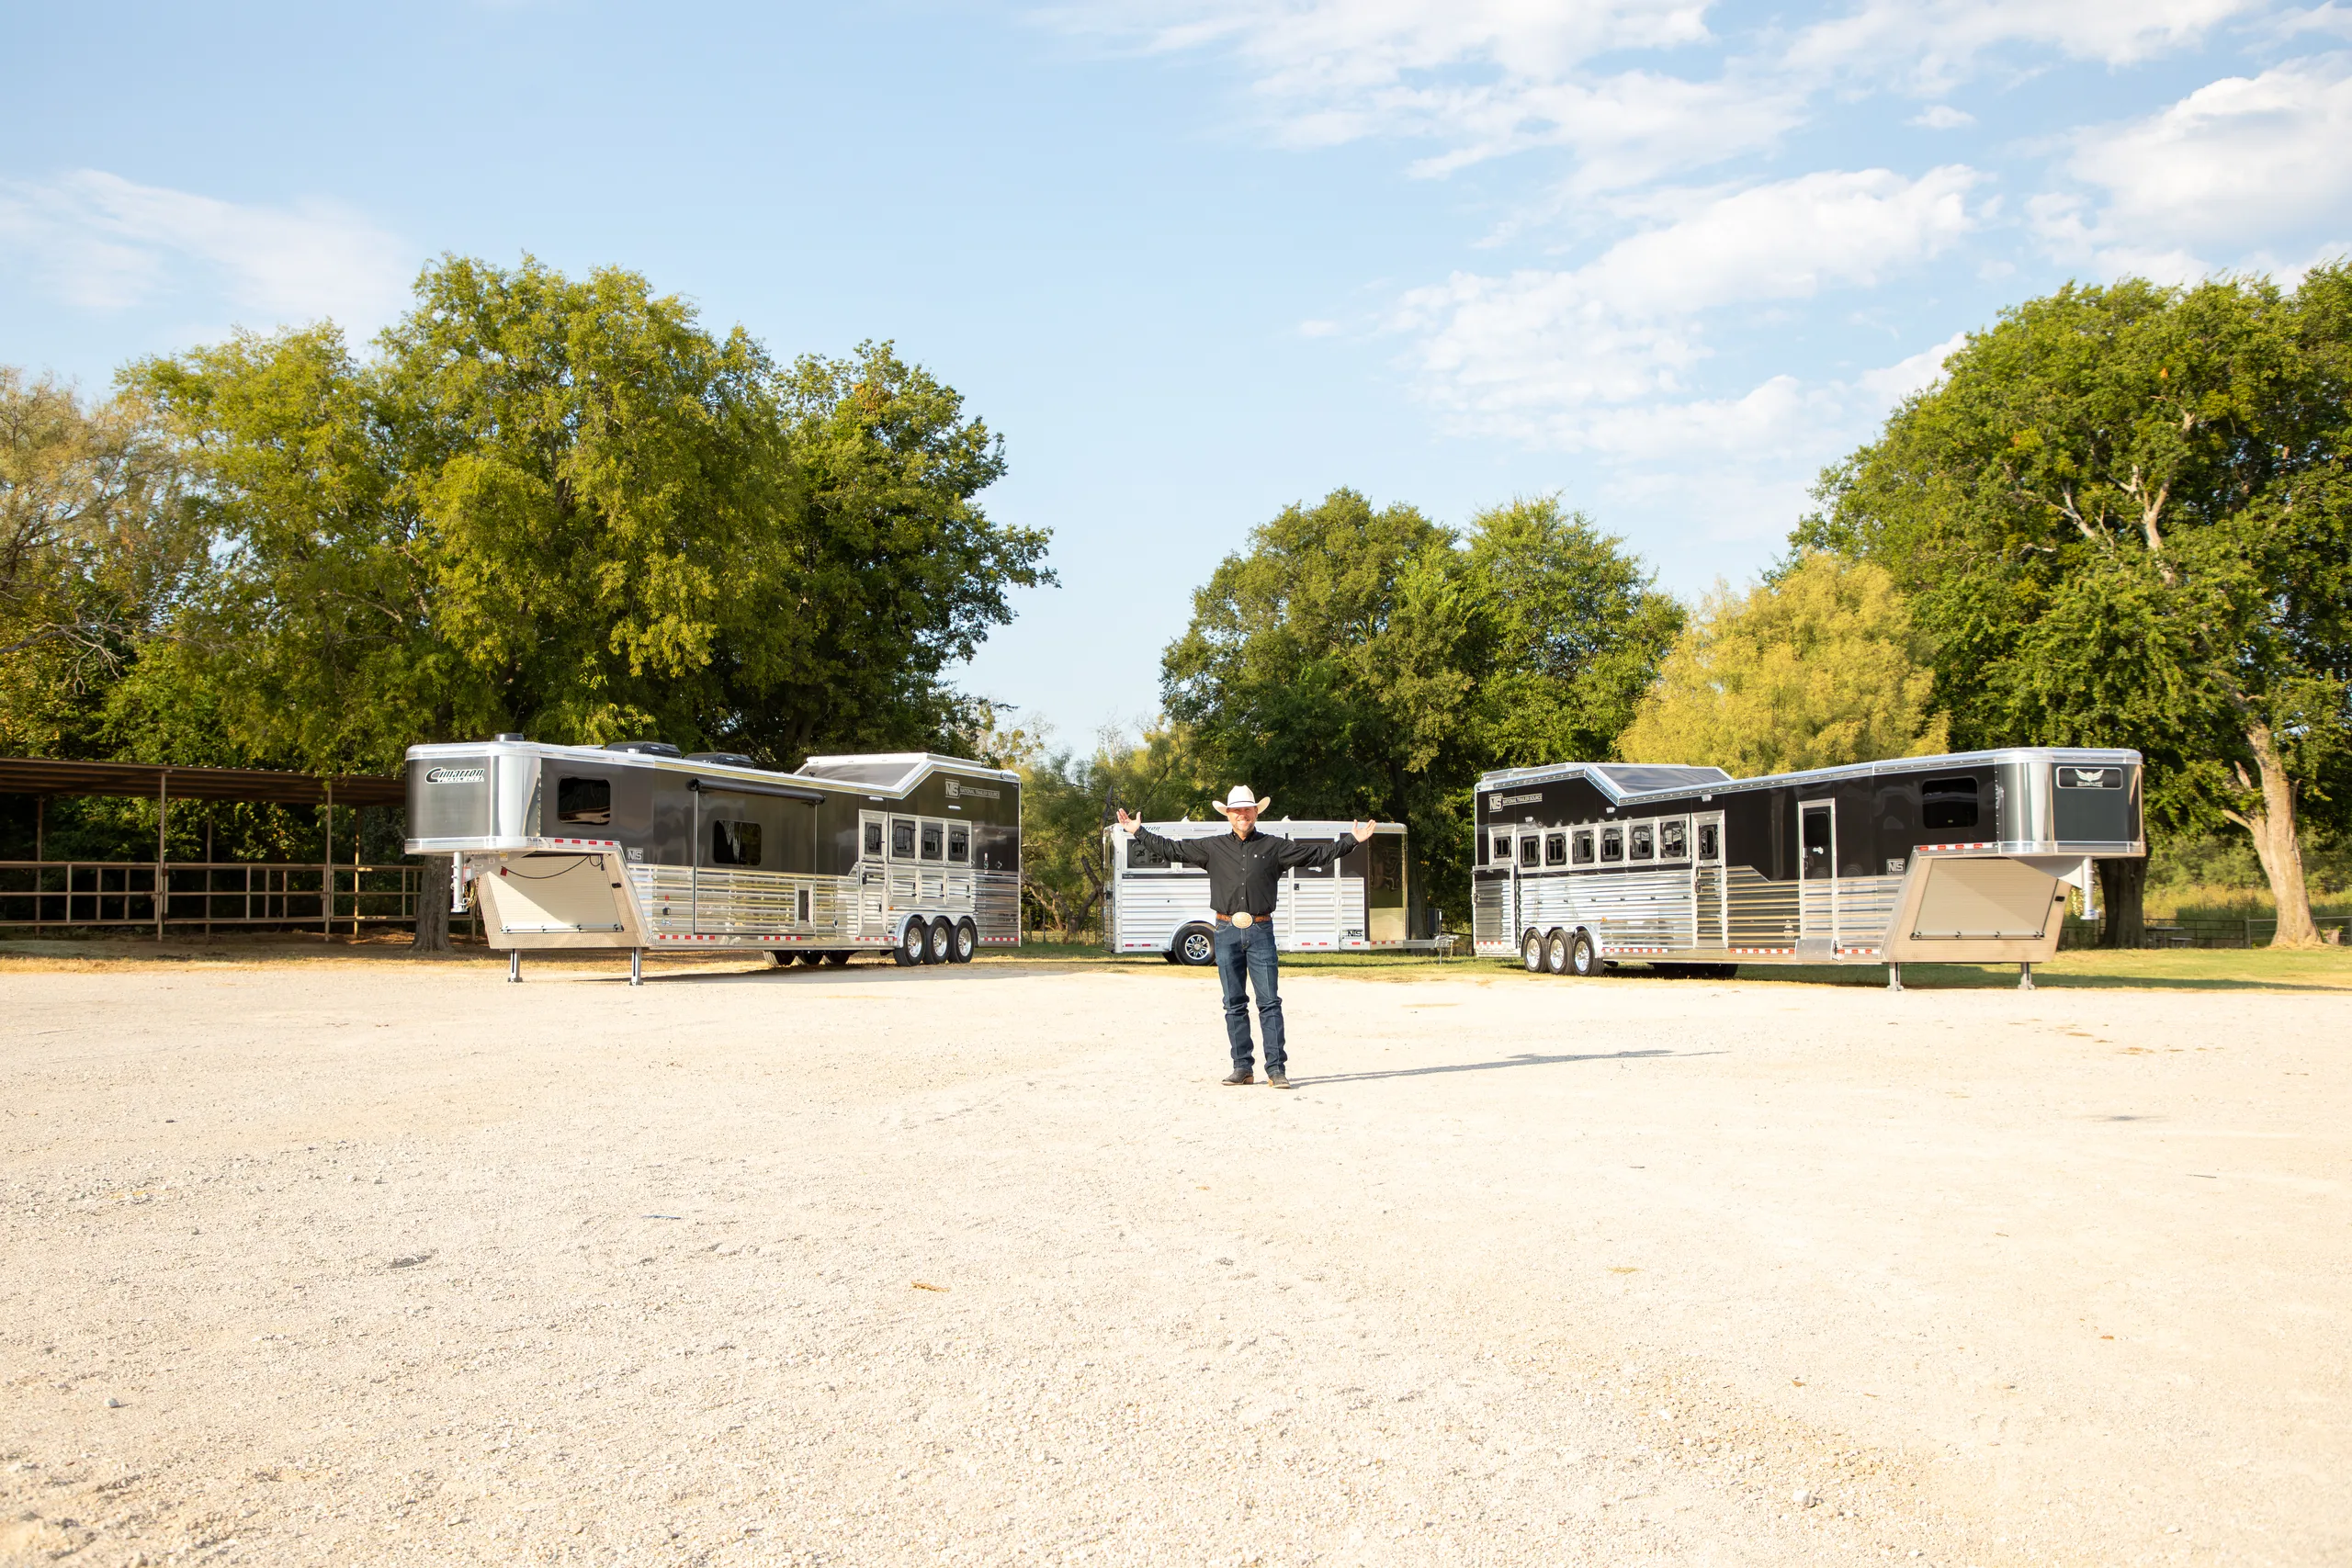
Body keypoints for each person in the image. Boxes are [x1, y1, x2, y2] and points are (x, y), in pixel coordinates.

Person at [1117, 787, 1374, 1089]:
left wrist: (1350, 841)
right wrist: (1139, 832)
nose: (1243, 815)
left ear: (1256, 813)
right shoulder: (1211, 848)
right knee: (1234, 1003)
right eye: (1237, 810)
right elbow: (1173, 849)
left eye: (1248, 810)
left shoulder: (1275, 847)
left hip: (1261, 931)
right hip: (1224, 932)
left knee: (1269, 1002)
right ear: (1228, 814)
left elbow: (1317, 854)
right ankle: (1242, 1068)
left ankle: (1276, 1070)